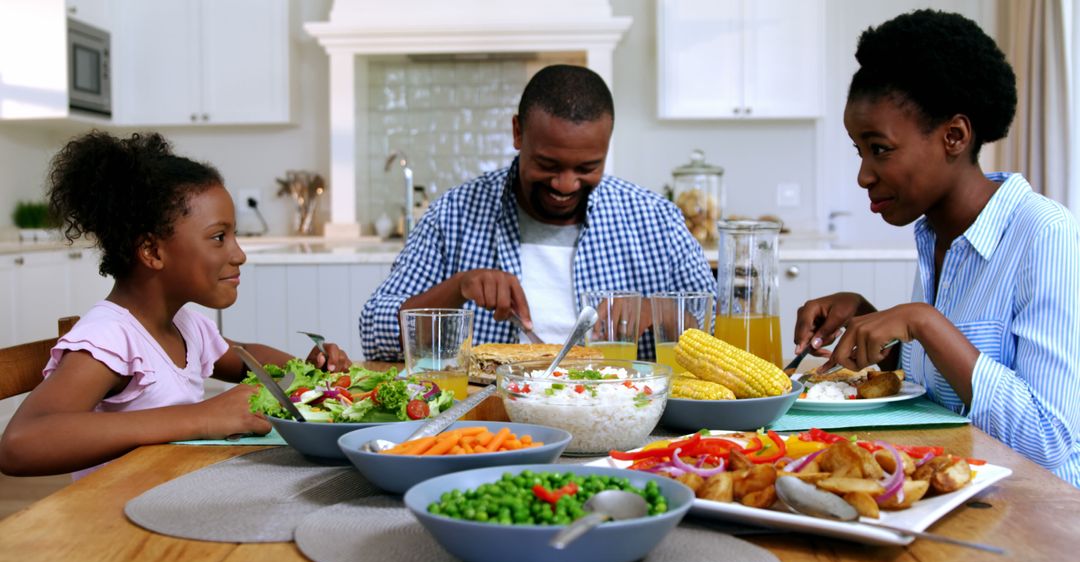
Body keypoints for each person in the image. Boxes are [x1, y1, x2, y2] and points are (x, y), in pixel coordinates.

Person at [793, 10, 1080, 487]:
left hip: (1042, 521)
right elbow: (949, 396)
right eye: (858, 151)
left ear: (954, 137)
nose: (863, 175)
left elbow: (1050, 441)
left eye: (879, 148)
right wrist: (877, 328)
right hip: (961, 497)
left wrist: (923, 321)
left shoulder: (1043, 232)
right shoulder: (934, 237)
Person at [0, 131, 352, 478]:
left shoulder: (184, 326)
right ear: (152, 251)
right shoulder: (110, 338)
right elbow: (20, 444)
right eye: (219, 237)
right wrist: (200, 418)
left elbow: (245, 357)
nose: (239, 254)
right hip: (110, 521)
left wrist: (310, 369)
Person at [361, 65, 714, 361]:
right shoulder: (452, 215)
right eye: (548, 164)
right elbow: (375, 333)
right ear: (518, 133)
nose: (565, 184)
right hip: (491, 427)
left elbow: (722, 332)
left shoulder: (656, 220)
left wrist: (665, 312)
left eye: (587, 167)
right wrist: (459, 286)